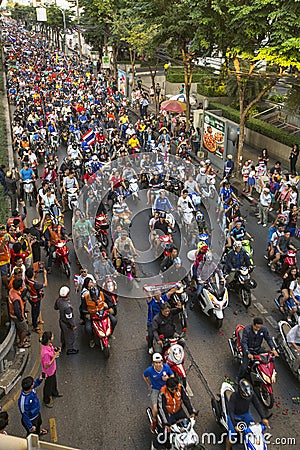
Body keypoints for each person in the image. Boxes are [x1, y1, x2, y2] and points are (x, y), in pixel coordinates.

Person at [226, 379, 269, 450]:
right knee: (232, 436)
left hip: (245, 414)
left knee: (254, 430)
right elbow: (231, 411)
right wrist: (235, 425)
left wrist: (263, 417)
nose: (247, 395)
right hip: (234, 415)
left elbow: (257, 404)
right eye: (245, 394)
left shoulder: (251, 394)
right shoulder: (234, 396)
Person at [154, 377, 196, 449]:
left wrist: (192, 412)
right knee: (164, 435)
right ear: (167, 388)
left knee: (187, 427)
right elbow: (162, 409)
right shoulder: (162, 393)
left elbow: (186, 400)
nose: (174, 391)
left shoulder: (180, 388)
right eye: (172, 389)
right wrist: (166, 424)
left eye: (176, 389)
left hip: (178, 411)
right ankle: (155, 446)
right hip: (168, 414)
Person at [143, 353, 174, 433]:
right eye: (156, 363)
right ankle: (154, 421)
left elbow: (172, 375)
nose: (158, 364)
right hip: (155, 390)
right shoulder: (150, 370)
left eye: (159, 362)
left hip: (165, 388)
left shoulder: (166, 367)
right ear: (153, 363)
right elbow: (144, 376)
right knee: (155, 409)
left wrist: (168, 378)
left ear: (162, 362)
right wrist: (148, 384)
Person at [146, 286, 179, 354]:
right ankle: (150, 346)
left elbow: (170, 292)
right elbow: (148, 294)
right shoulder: (151, 300)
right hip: (152, 321)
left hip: (161, 319)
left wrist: (176, 286)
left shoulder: (163, 298)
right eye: (156, 293)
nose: (158, 294)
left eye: (159, 292)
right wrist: (146, 288)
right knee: (151, 335)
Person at [40, 331, 63, 408]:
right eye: (52, 337)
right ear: (49, 339)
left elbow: (52, 350)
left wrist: (55, 350)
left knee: (53, 382)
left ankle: (54, 393)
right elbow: (47, 365)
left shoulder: (49, 345)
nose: (53, 337)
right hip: (48, 372)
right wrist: (55, 356)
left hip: (53, 369)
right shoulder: (45, 353)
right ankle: (46, 400)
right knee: (48, 386)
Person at [54, 286, 78, 355]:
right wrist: (73, 325)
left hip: (61, 321)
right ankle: (70, 349)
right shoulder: (67, 307)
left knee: (63, 333)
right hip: (67, 323)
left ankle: (63, 343)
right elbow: (69, 318)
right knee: (70, 335)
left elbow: (55, 307)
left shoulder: (58, 300)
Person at [25, 267, 48, 334]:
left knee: (36, 311)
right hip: (35, 300)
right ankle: (35, 327)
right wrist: (44, 275)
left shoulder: (27, 281)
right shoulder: (35, 284)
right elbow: (45, 284)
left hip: (31, 298)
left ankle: (36, 320)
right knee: (35, 312)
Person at [8, 279, 29, 348]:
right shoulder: (16, 298)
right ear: (20, 288)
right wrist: (21, 318)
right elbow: (17, 310)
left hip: (12, 314)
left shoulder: (11, 291)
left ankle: (21, 339)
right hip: (16, 316)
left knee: (20, 328)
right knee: (25, 329)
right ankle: (21, 343)